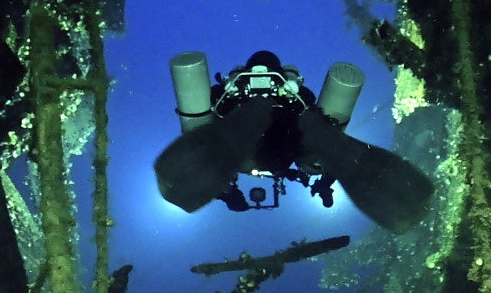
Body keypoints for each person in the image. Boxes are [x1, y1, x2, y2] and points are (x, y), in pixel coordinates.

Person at [152, 50, 434, 233]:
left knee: (245, 133)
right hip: (287, 140)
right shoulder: (299, 99)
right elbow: (318, 141)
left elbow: (204, 143)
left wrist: (227, 194)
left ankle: (263, 120)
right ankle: (402, 200)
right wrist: (324, 178)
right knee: (316, 138)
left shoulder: (225, 98)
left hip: (243, 139)